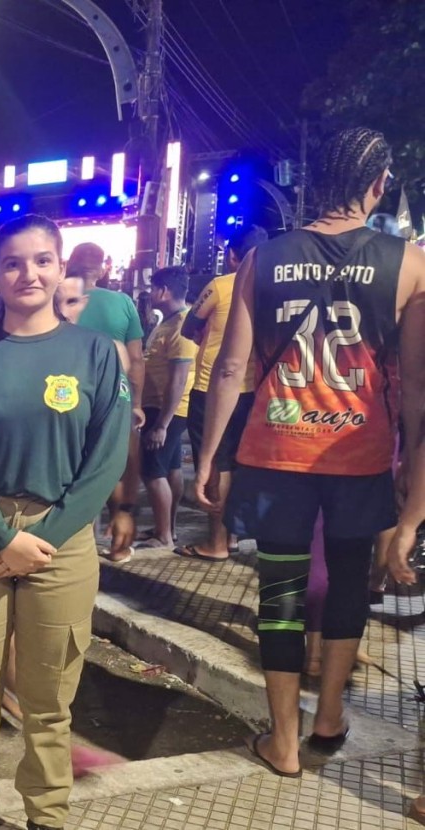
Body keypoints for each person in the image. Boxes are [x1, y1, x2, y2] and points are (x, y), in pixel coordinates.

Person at [197, 127, 425, 779]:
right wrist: (410, 464)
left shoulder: (262, 259)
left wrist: (212, 454)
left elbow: (230, 366)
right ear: (379, 184)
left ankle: (285, 742)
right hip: (361, 455)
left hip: (276, 455)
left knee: (283, 593)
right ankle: (328, 719)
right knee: (350, 581)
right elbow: (415, 382)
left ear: (315, 180)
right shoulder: (408, 263)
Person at [0, 214, 128, 830]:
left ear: (61, 266)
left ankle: (48, 816)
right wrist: (1, 536)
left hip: (61, 540)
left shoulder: (95, 353)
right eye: (13, 263)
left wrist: (38, 540)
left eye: (43, 260)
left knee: (49, 705)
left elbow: (106, 460)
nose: (29, 273)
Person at [179, 225, 268, 561]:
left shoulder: (220, 285)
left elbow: (190, 326)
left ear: (232, 256)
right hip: (255, 389)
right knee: (238, 461)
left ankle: (216, 542)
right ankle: (232, 536)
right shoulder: (271, 287)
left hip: (212, 387)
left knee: (217, 463)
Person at [69, 243, 144, 562]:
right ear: (102, 268)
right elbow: (137, 360)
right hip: (117, 394)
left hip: (71, 395)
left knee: (75, 466)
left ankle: (77, 539)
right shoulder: (123, 303)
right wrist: (137, 403)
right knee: (117, 465)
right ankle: (119, 545)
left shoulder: (62, 297)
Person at [138, 267, 196, 550]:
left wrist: (161, 424)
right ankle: (167, 529)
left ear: (163, 291)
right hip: (162, 408)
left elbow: (179, 378)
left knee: (152, 470)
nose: (150, 294)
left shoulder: (182, 327)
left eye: (152, 288)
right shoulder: (171, 322)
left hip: (165, 409)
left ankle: (163, 535)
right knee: (171, 468)